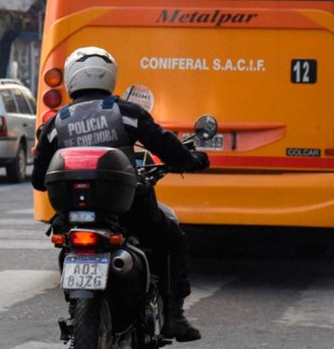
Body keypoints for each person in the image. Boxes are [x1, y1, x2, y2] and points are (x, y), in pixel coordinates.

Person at [32, 46, 209, 342]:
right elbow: (164, 144)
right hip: (128, 210)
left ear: (72, 79)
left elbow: (39, 179)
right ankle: (175, 318)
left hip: (72, 216)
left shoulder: (55, 123)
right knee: (173, 240)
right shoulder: (125, 113)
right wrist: (192, 160)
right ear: (110, 77)